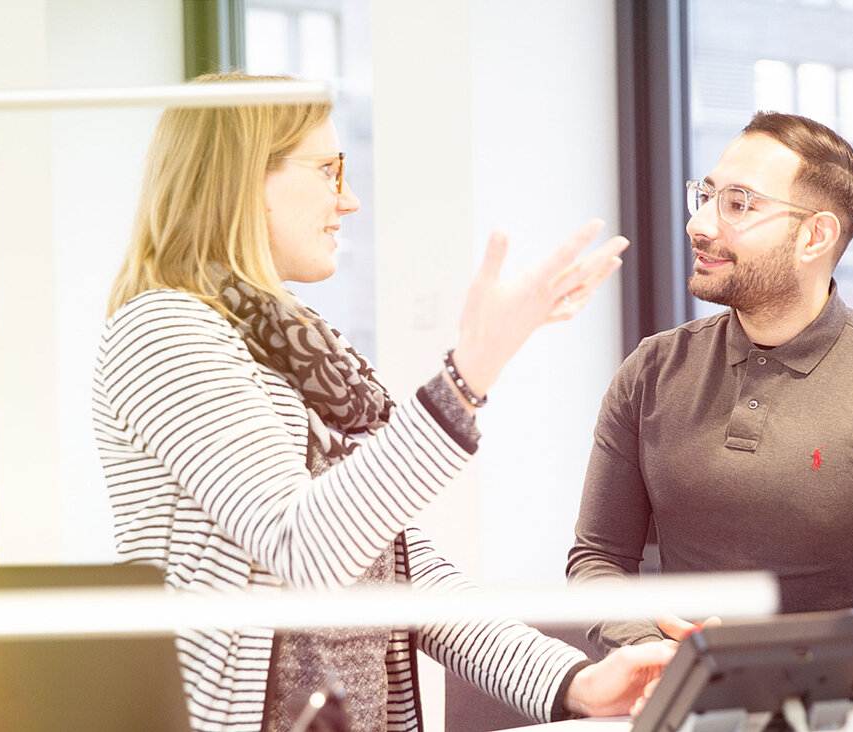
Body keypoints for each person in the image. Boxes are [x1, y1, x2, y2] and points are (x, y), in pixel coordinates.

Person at [92, 73, 675, 732]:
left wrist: (574, 681)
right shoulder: (165, 329)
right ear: (242, 178)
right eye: (327, 170)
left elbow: (397, 571)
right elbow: (306, 550)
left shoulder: (291, 347)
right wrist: (467, 377)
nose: (350, 201)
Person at [566, 111, 853, 679]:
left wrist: (773, 655)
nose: (700, 224)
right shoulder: (651, 371)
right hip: (685, 702)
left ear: (815, 236)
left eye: (738, 204)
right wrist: (648, 653)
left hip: (844, 709)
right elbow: (597, 562)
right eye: (705, 196)